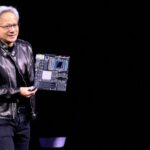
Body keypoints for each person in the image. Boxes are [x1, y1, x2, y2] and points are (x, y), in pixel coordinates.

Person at [0, 5, 37, 150]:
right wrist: (17, 91)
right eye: (7, 26)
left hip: (24, 118)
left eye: (15, 25)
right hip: (2, 118)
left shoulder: (26, 47)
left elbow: (33, 80)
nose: (12, 30)